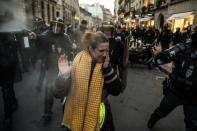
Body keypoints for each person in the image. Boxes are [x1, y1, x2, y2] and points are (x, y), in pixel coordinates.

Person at [60, 32, 122, 131]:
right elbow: (58, 93)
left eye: (107, 50)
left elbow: (117, 90)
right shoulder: (77, 61)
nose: (105, 54)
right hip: (75, 113)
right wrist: (63, 76)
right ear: (90, 49)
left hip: (99, 117)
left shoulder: (106, 62)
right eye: (101, 50)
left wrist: (107, 69)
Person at [147, 25, 197, 131]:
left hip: (194, 97)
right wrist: (161, 55)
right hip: (176, 91)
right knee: (161, 111)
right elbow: (162, 58)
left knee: (192, 124)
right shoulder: (183, 49)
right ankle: (153, 119)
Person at [29, 17, 72, 124]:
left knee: (65, 92)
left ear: (62, 28)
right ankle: (47, 113)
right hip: (51, 67)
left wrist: (66, 50)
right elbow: (40, 38)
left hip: (63, 69)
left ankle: (67, 114)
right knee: (49, 90)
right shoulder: (47, 34)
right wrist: (35, 37)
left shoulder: (65, 37)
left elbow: (70, 50)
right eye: (54, 25)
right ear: (51, 25)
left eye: (59, 26)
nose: (56, 28)